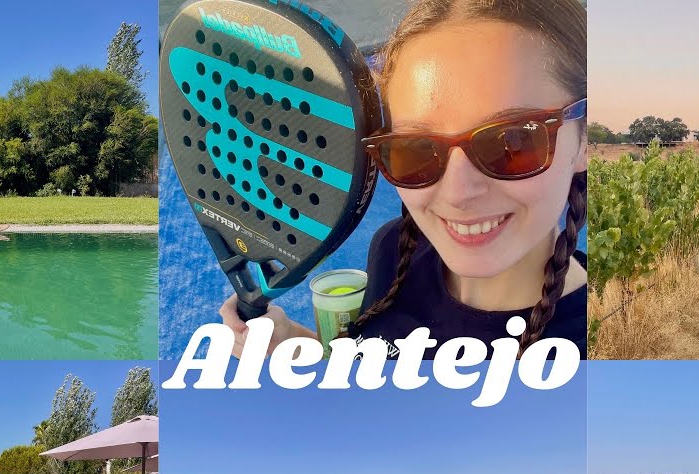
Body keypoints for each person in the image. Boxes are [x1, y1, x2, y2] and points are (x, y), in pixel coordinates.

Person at [219, 0, 588, 358]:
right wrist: (291, 344)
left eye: (512, 141)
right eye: (415, 149)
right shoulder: (394, 248)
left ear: (585, 140)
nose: (459, 192)